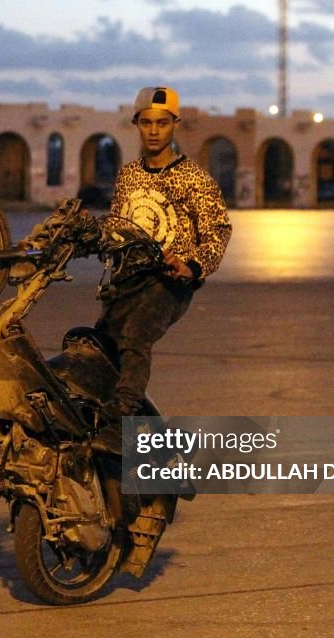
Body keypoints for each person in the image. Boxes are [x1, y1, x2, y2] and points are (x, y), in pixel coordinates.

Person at [92, 86, 232, 453]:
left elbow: (218, 229)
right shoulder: (129, 176)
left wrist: (193, 266)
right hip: (128, 282)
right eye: (147, 123)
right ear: (137, 124)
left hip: (168, 283)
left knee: (136, 336)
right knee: (99, 348)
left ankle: (120, 421)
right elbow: (117, 226)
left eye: (163, 123)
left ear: (175, 125)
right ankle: (165, 441)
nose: (154, 131)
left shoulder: (193, 178)